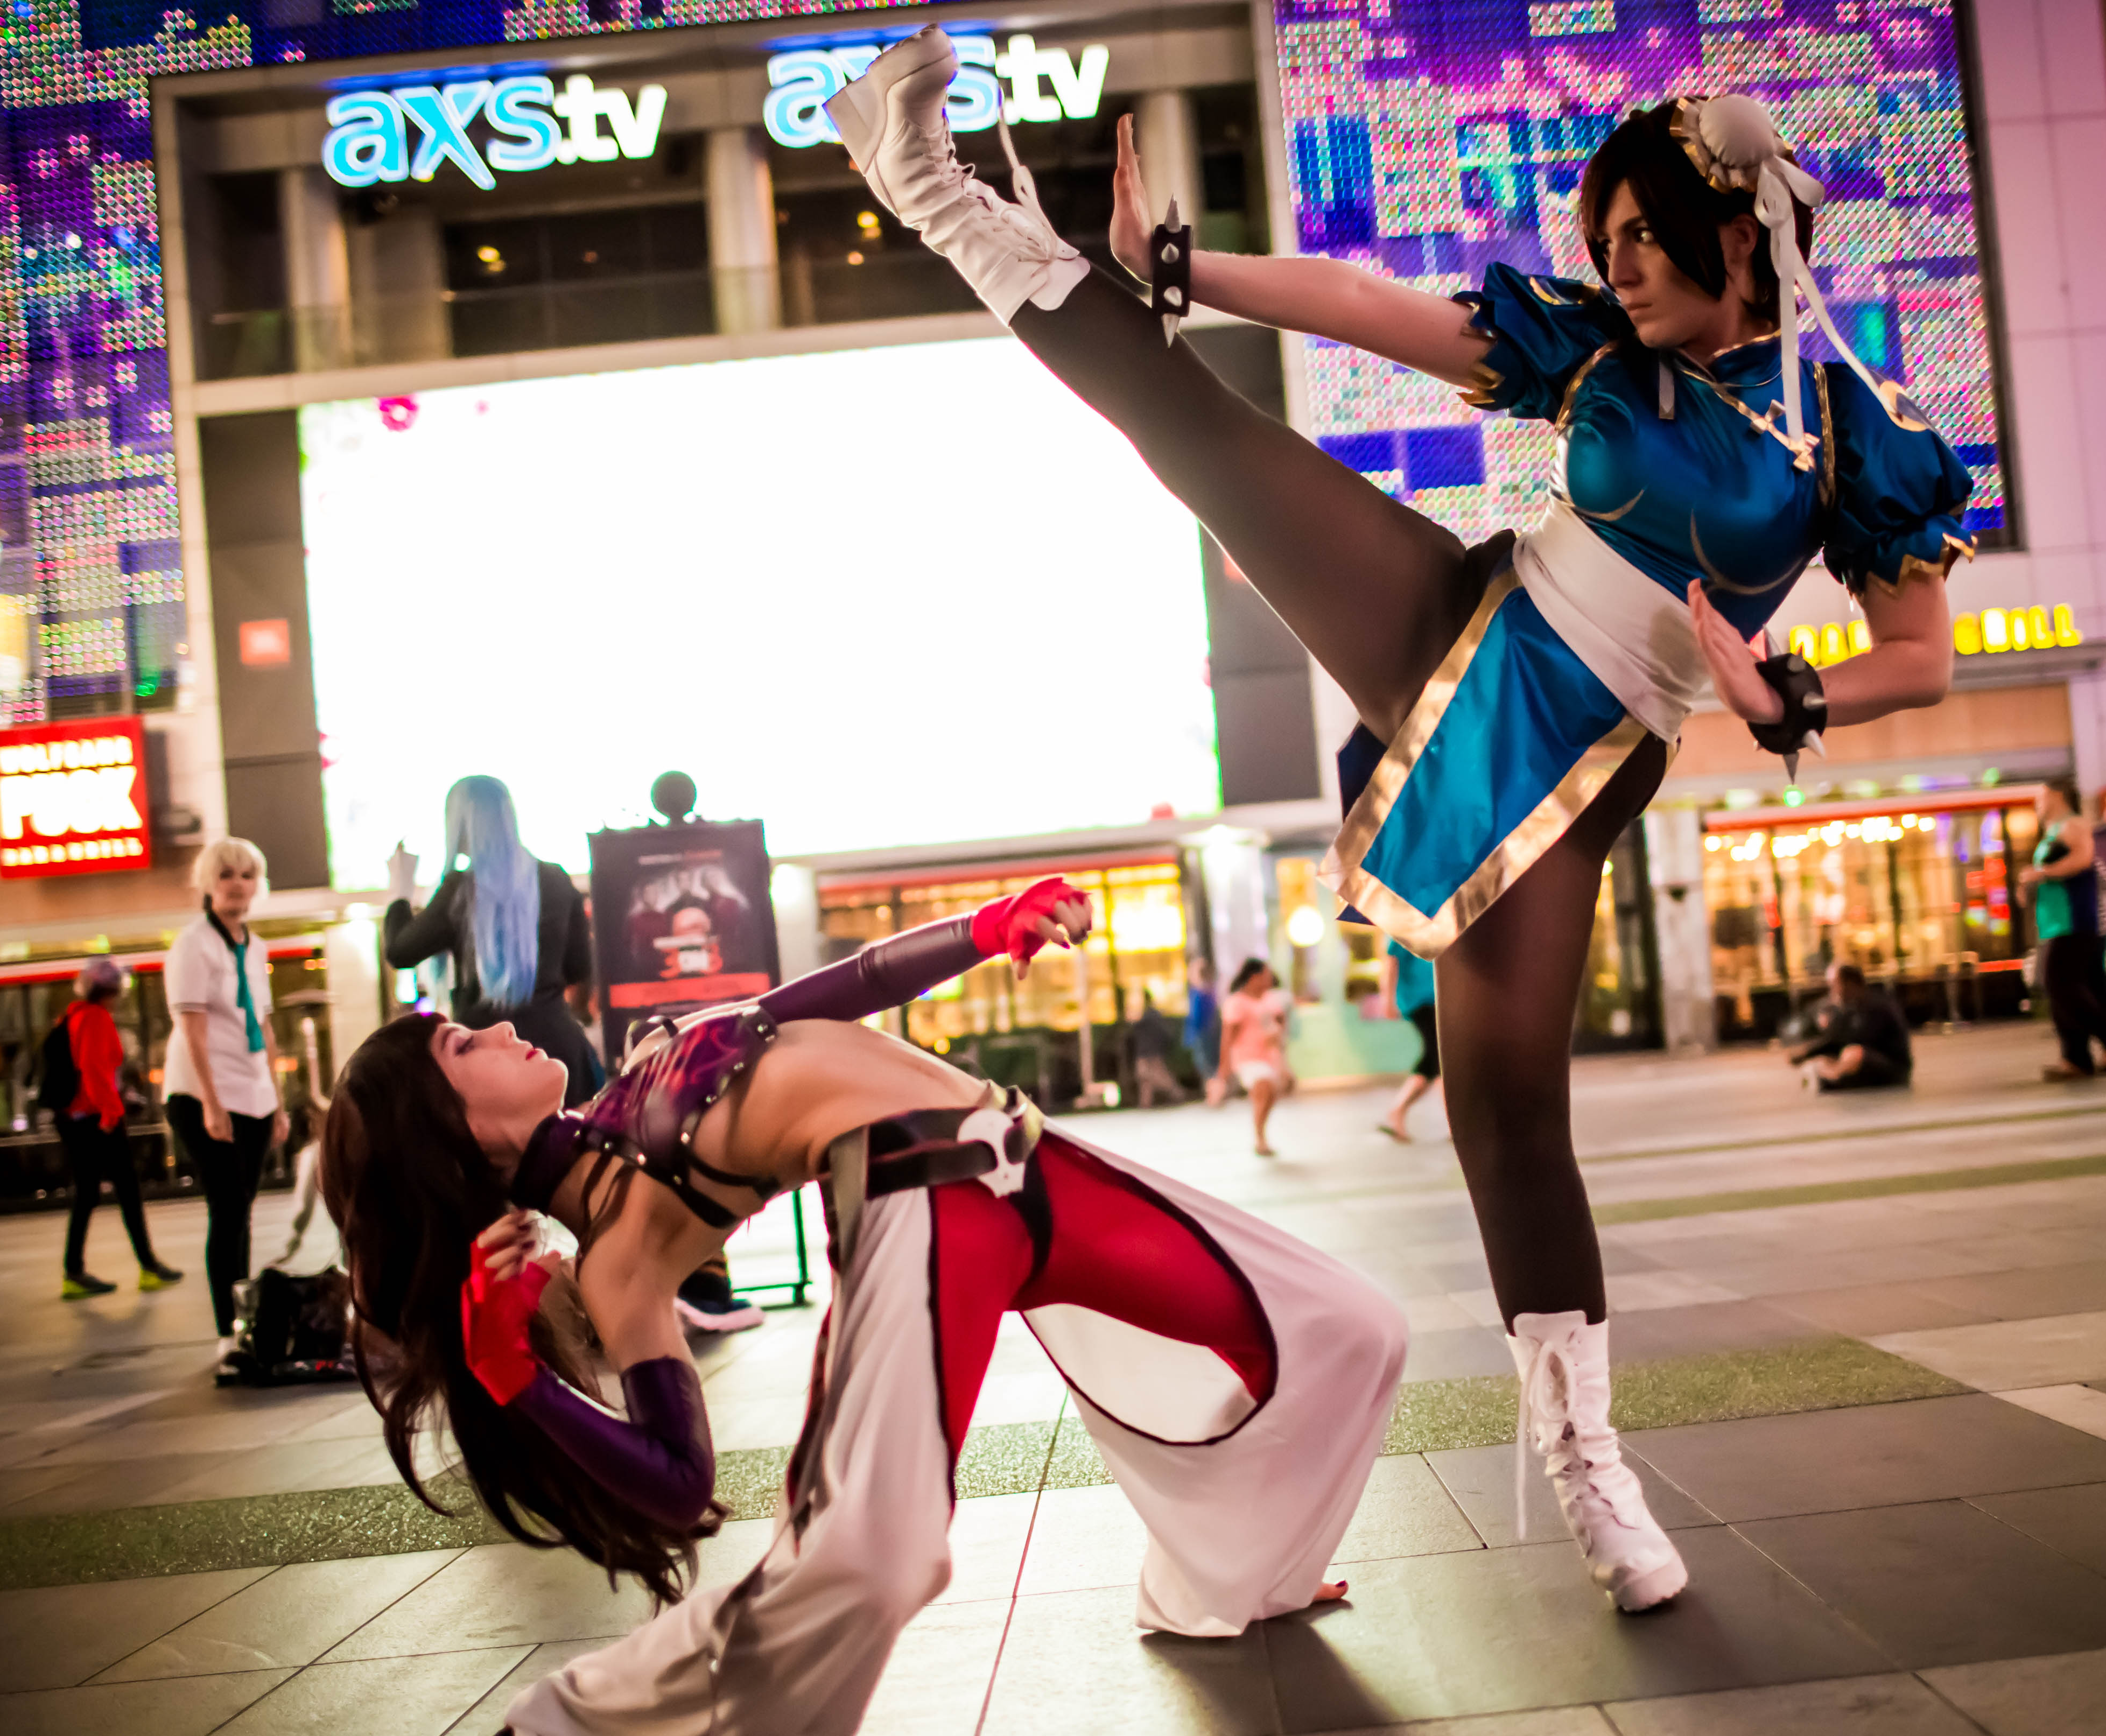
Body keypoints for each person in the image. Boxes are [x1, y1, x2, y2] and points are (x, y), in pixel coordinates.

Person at [833, 40, 1974, 1610]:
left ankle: (1588, 1463)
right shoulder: (1593, 347)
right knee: (1196, 435)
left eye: (1649, 236)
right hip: (1465, 617)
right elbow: (1377, 306)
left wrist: (1798, 700)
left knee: (1504, 1110)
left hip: (1585, 749)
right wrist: (1188, 264)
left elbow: (1923, 651)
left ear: (1740, 239)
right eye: (1609, 238)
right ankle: (934, 189)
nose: (1620, 264)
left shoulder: (1852, 432)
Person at [321, 880, 1405, 1736]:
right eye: (462, 1048)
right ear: (450, 1128)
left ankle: (1247, 1574)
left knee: (1349, 1330)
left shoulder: (642, 1065)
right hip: (918, 1202)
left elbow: (819, 998)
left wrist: (987, 928)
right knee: (877, 1550)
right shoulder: (617, 1251)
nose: (500, 1027)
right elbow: (676, 1481)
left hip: (1031, 1164)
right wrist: (516, 1383)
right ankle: (562, 1731)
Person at [385, 776, 605, 1107]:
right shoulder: (555, 879)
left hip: (487, 1060)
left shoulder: (460, 892)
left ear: (459, 825)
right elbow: (579, 967)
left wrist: (401, 889)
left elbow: (400, 951)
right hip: (559, 1054)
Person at [165, 837, 287, 1362]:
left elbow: (262, 1022)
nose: (237, 884)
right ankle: (226, 1329)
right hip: (202, 1093)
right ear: (208, 885)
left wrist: (279, 1102)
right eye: (226, 875)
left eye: (246, 875)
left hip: (254, 1092)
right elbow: (191, 1028)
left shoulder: (254, 947)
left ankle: (243, 1318)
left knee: (244, 1212)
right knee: (228, 1206)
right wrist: (212, 1104)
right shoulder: (194, 945)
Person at [55, 957, 182, 1299]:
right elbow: (95, 1071)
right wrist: (112, 1115)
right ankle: (146, 1268)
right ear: (110, 990)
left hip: (79, 1119)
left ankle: (77, 1271)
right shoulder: (95, 1018)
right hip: (99, 1120)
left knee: (90, 1194)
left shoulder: (73, 1016)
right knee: (124, 1192)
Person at [2020, 778, 2106, 1080]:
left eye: (2040, 796)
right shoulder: (2053, 831)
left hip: (2076, 921)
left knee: (2060, 985)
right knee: (2077, 987)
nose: (2036, 803)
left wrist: (2041, 873)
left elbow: (2082, 858)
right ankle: (2079, 1057)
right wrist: (2031, 884)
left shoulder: (2073, 825)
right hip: (2058, 922)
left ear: (2057, 795)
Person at [1785, 961, 1911, 1092]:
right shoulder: (1850, 1007)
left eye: (1835, 985)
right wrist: (1808, 1053)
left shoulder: (1876, 1007)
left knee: (1853, 1053)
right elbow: (1837, 1040)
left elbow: (1857, 1040)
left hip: (1892, 1067)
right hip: (1865, 1062)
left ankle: (1831, 1079)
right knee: (1828, 1059)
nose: (1833, 992)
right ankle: (1831, 1076)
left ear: (1850, 984)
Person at [1219, 958, 1293, 1157]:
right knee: (1264, 1086)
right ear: (1255, 978)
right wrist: (1223, 1068)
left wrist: (1278, 1036)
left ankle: (1261, 1132)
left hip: (1270, 1056)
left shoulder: (1271, 999)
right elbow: (1228, 1036)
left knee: (1269, 1096)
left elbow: (1280, 1024)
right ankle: (1260, 1137)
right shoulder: (1236, 1003)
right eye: (1266, 976)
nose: (1270, 979)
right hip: (1248, 1058)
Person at [1378, 932, 1442, 1142]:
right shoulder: (1402, 928)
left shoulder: (1436, 926)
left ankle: (1453, 1122)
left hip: (1438, 999)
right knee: (1435, 1057)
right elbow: (1391, 964)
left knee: (1440, 1061)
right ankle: (1397, 1111)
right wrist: (1388, 1000)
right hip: (1418, 1001)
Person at [1126, 982, 1188, 1109]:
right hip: (1148, 1051)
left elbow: (1136, 1026)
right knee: (1145, 1077)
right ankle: (1145, 1102)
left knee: (1154, 1075)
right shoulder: (1152, 1014)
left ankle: (1177, 1092)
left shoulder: (1149, 1015)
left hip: (1149, 1052)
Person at [1182, 958, 1224, 1106]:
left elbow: (1197, 1018)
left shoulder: (1201, 992)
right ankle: (1214, 1095)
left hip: (1203, 1035)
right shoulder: (1208, 991)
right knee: (1208, 1066)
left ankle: (1215, 1096)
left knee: (1208, 1066)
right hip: (1206, 1034)